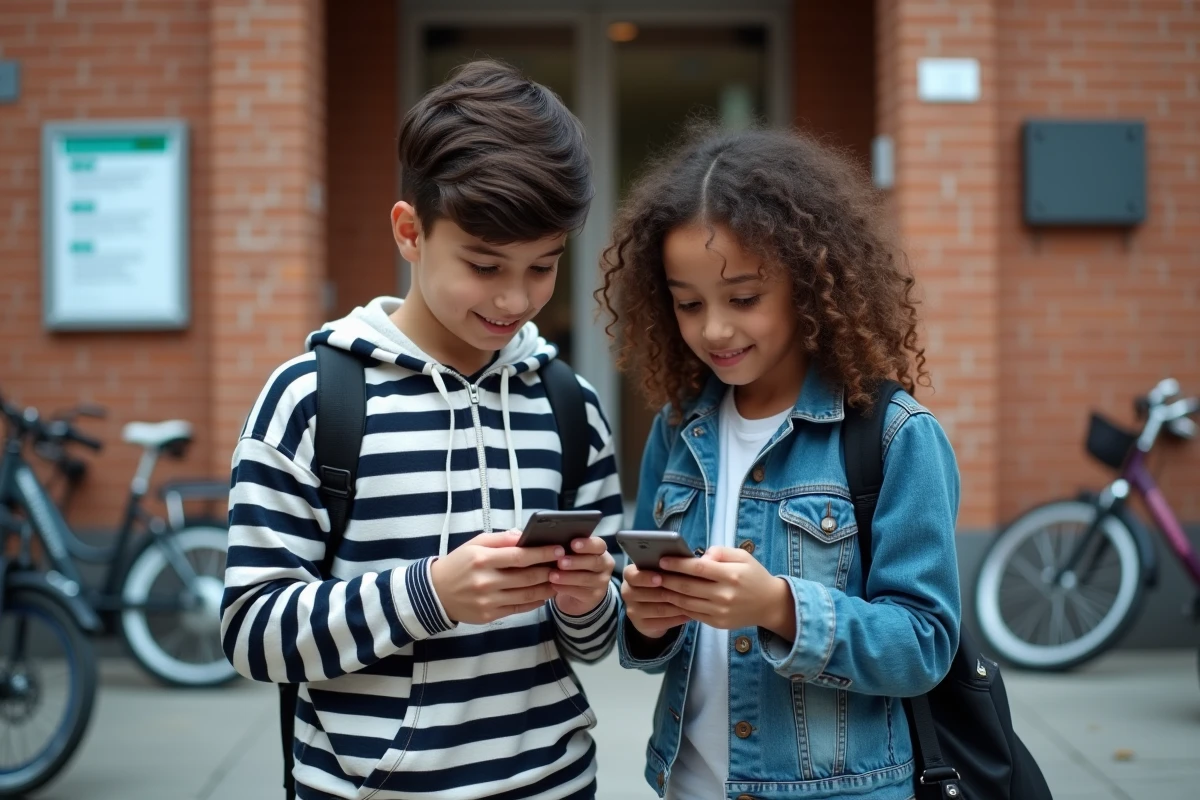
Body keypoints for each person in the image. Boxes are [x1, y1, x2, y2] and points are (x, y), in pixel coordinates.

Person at [221, 60, 623, 800]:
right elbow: (252, 633)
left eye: (542, 267)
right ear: (410, 231)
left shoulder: (570, 406)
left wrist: (587, 599)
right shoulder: (311, 399)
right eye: (484, 263)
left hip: (558, 785)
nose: (516, 299)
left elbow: (600, 642)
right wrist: (431, 593)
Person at [598, 125, 961, 800]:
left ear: (812, 280)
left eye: (743, 298)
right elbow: (646, 641)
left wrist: (779, 606)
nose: (714, 329)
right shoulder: (677, 431)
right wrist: (645, 621)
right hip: (688, 784)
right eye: (688, 303)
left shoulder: (893, 436)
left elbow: (926, 642)